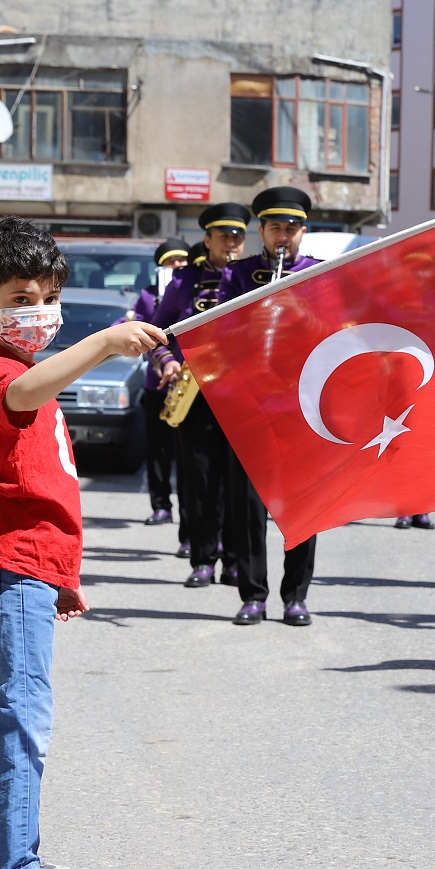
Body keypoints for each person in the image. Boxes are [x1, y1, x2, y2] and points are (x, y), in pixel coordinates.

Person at [0, 216, 165, 869]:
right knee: (21, 719)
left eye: (47, 296)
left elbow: (43, 483)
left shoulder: (25, 373)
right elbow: (23, 395)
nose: (37, 311)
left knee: (1, 715)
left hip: (23, 570)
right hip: (10, 571)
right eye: (19, 297)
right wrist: (106, 342)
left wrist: (60, 576)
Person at [217, 186, 321, 627]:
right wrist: (249, 323)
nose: (285, 235)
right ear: (261, 230)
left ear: (303, 231)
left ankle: (295, 595)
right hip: (252, 406)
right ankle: (253, 595)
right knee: (248, 508)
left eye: (293, 228)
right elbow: (217, 336)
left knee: (303, 505)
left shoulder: (320, 273)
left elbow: (337, 332)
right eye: (276, 227)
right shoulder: (237, 275)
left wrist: (300, 312)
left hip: (303, 406)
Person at [154, 208, 246, 588]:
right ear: (207, 240)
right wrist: (167, 362)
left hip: (242, 396)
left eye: (237, 237)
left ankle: (237, 560)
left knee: (238, 486)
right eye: (223, 236)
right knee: (200, 481)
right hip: (195, 395)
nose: (230, 244)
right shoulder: (184, 282)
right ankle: (204, 559)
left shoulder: (252, 277)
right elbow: (158, 330)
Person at [132, 241, 189, 536]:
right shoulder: (148, 297)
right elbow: (133, 325)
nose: (178, 265)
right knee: (159, 450)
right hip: (158, 384)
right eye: (172, 261)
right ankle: (161, 505)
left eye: (183, 260)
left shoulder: (194, 291)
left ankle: (190, 517)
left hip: (190, 384)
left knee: (189, 455)